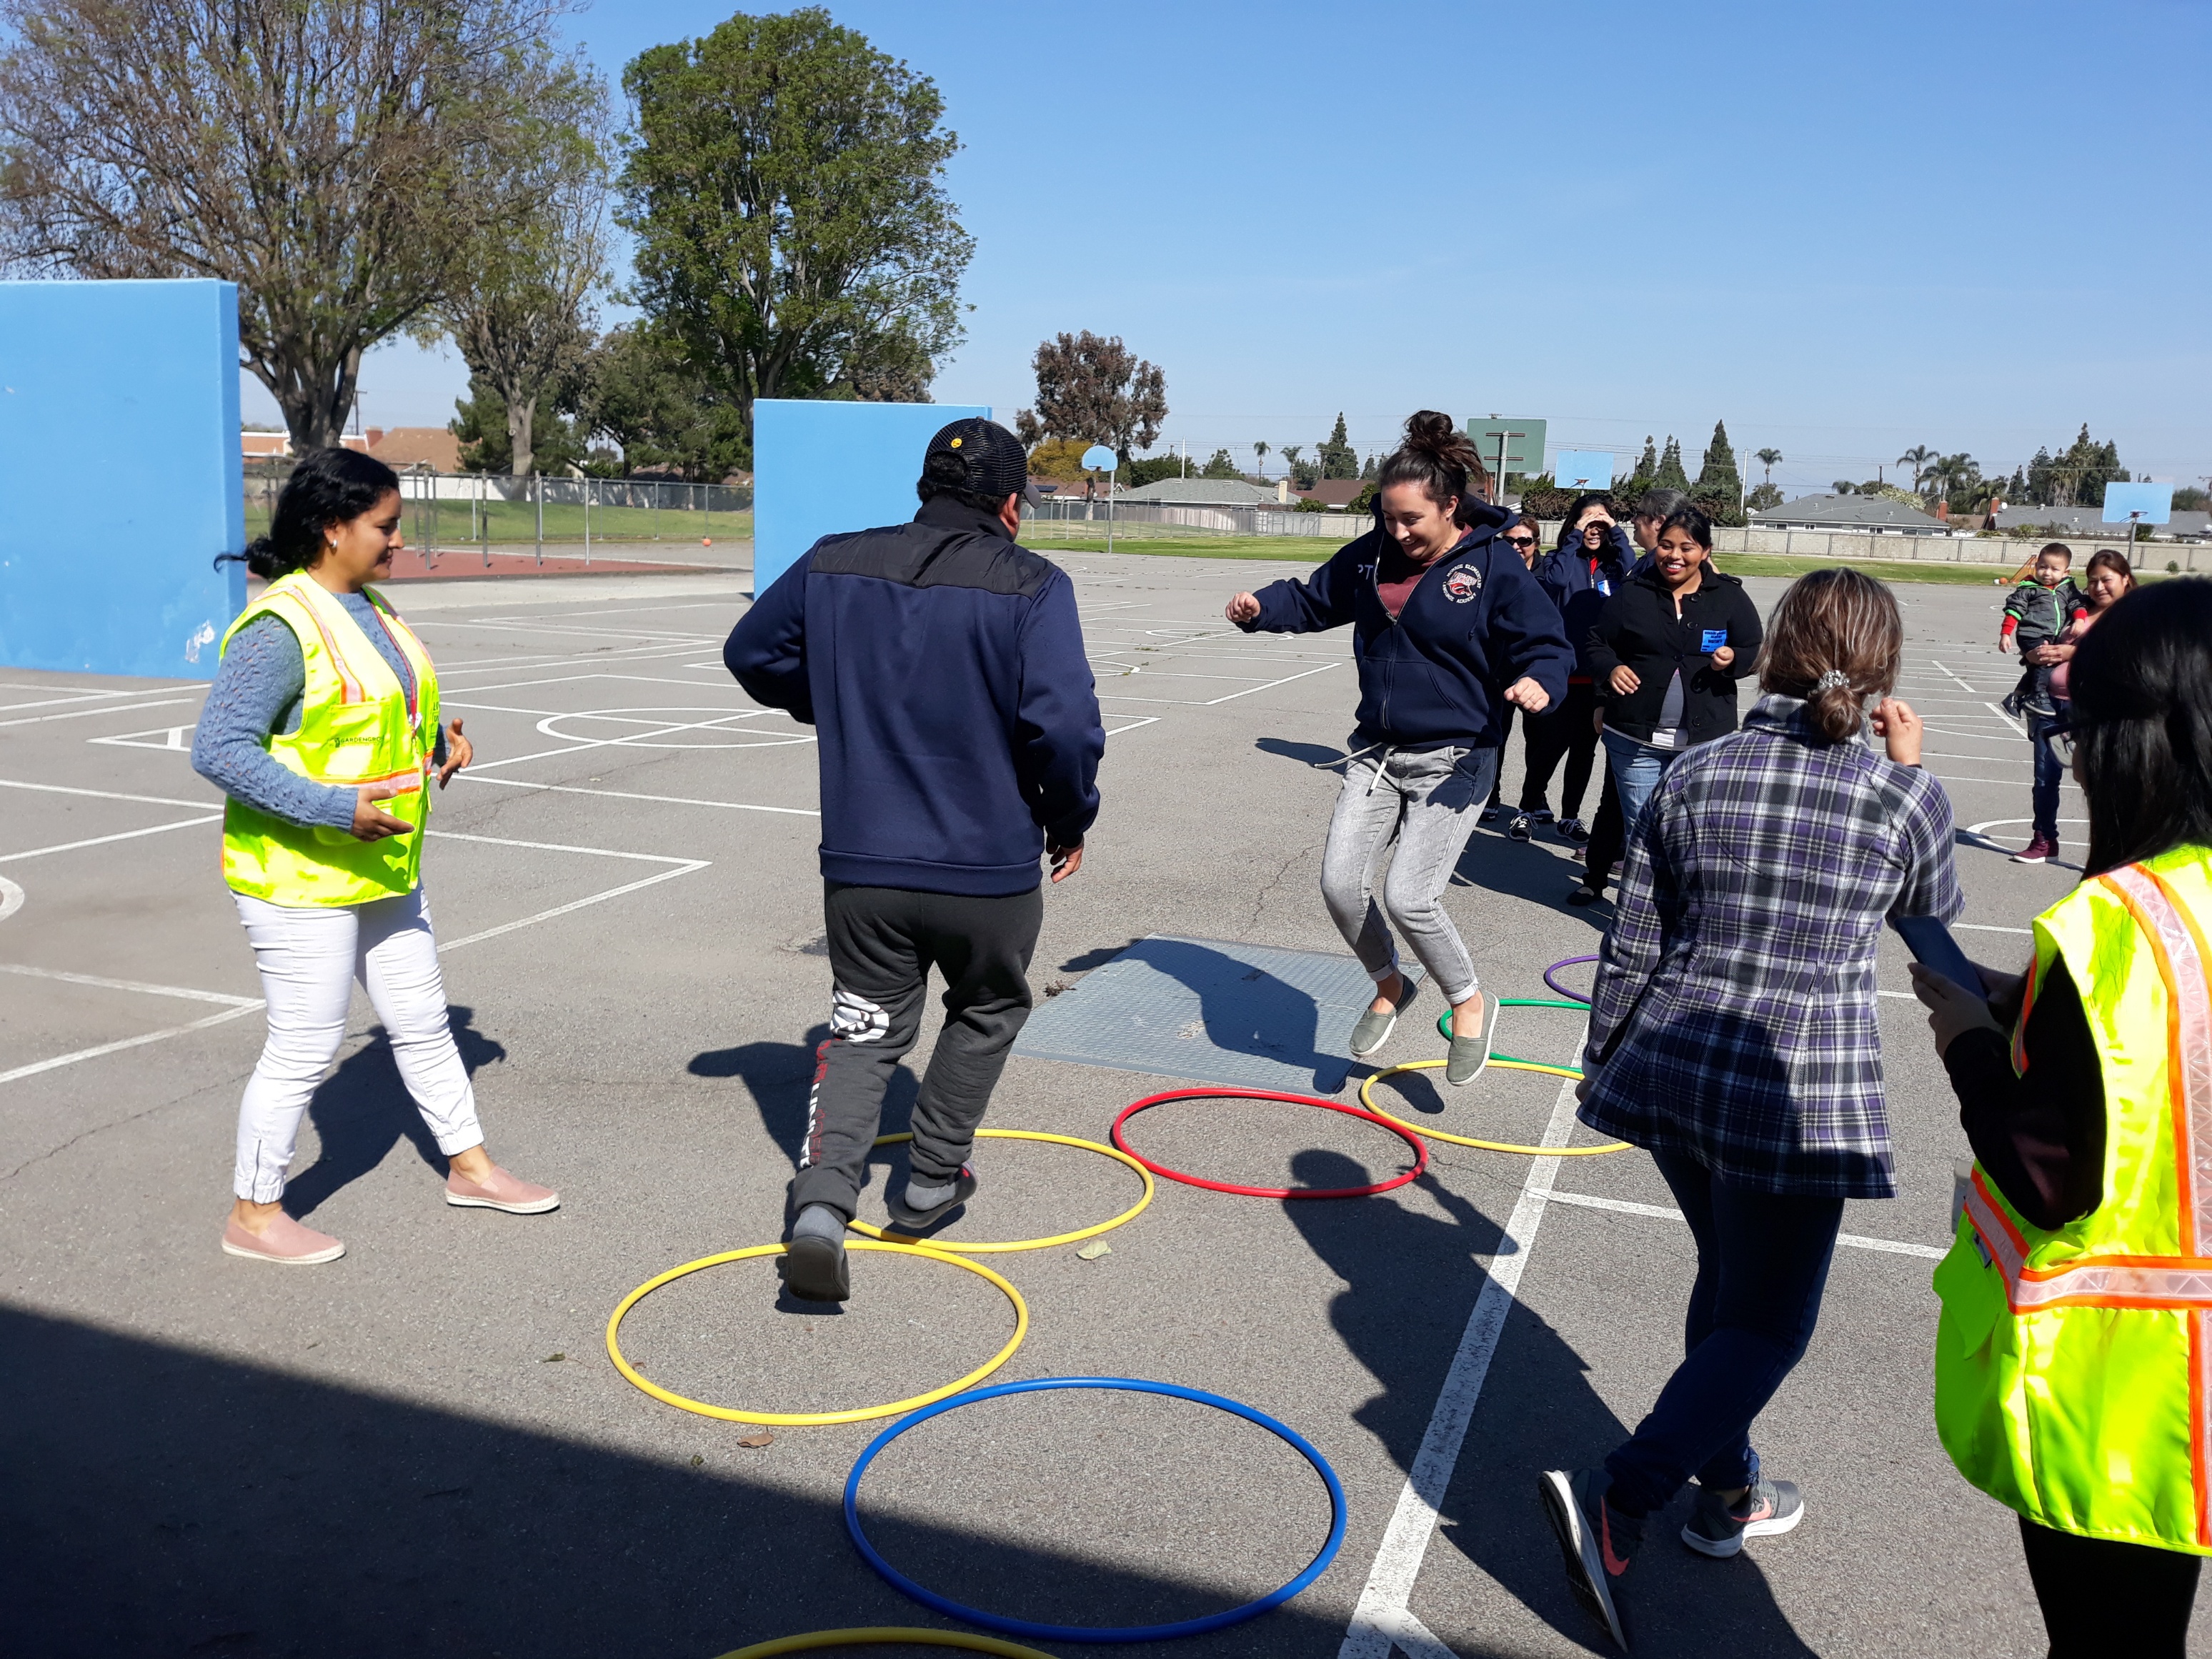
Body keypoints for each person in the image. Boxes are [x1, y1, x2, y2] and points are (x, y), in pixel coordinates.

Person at [1541, 569, 1956, 1651]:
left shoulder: (1699, 768)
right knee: (1770, 1322)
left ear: (1773, 645)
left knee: (1729, 1290)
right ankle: (1624, 1492)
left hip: (1677, 1064)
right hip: (1793, 1088)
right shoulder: (1899, 796)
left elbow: (1635, 934)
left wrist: (1608, 1066)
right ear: (1880, 674)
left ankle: (1727, 1495)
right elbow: (1939, 933)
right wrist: (1908, 774)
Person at [724, 417, 1105, 1304]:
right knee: (987, 1007)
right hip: (988, 866)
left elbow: (751, 651)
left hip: (864, 862)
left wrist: (832, 700)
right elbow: (1067, 726)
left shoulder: (833, 558)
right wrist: (1069, 817)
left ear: (926, 487)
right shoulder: (1033, 583)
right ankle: (932, 1179)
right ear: (1011, 504)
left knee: (864, 1025)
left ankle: (822, 1205)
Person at [1913, 578, 2212, 1659]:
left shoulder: (2123, 919)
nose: (2074, 755)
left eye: (2082, 729)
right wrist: (2019, 993)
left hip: (2135, 1395)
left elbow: (2049, 1165)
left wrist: (1970, 1044)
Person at [193, 448, 557, 1267]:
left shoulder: (370, 606)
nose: (400, 542)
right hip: (300, 877)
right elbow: (219, 749)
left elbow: (374, 718)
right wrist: (331, 808)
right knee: (306, 1045)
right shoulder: (284, 624)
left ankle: (470, 1167)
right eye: (386, 527)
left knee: (426, 1025)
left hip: (382, 866)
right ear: (332, 528)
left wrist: (439, 745)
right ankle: (253, 1214)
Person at [1224, 412, 1572, 1082]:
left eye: (1412, 519)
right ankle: (1389, 983)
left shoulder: (1494, 563)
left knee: (1412, 896)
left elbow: (1546, 642)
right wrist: (1260, 610)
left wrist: (1538, 681)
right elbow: (1313, 598)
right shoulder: (1374, 553)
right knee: (1339, 886)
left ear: (1451, 506)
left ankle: (1468, 1000)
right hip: (1377, 751)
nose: (1398, 531)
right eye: (1388, 517)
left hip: (1458, 756)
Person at [1573, 502, 1763, 903]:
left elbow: (1754, 649)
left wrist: (1735, 660)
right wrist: (1610, 669)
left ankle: (1683, 909)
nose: (1674, 556)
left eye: (1687, 547)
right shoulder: (1633, 594)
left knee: (1692, 831)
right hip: (1634, 737)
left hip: (1702, 744)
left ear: (1705, 552)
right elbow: (1597, 642)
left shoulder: (1728, 597)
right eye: (1665, 545)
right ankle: (1646, 915)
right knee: (1647, 831)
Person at [1522, 493, 1633, 847]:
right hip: (1563, 671)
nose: (1594, 529)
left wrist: (1616, 532)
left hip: (1597, 675)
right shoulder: (1561, 559)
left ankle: (1570, 816)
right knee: (1550, 745)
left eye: (1601, 522)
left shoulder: (1614, 567)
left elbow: (1632, 570)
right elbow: (1553, 581)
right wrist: (1574, 536)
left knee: (1585, 750)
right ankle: (1527, 809)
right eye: (1587, 522)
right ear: (1575, 524)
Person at [2010, 548, 2132, 865]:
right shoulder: (2073, 607)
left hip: (2094, 710)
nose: (2098, 587)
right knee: (2044, 778)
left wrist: (2072, 654)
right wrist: (2032, 655)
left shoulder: (2131, 615)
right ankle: (2044, 839)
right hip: (2049, 706)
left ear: (2125, 579)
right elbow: (2039, 631)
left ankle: (2111, 847)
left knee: (2099, 780)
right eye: (2092, 581)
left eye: (2106, 580)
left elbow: (2125, 659)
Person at [1482, 512, 1547, 826]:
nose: (1518, 547)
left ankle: (1534, 798)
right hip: (1499, 668)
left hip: (1533, 670)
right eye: (1510, 541)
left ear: (1536, 543)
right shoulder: (1493, 571)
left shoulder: (1550, 573)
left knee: (1539, 739)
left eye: (1525, 541)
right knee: (1497, 736)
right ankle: (1490, 794)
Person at [1998, 542, 2085, 728]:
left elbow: (2077, 604)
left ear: (2065, 573)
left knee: (2041, 664)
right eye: (2043, 567)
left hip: (2052, 635)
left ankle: (2015, 698)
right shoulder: (2028, 588)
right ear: (2036, 566)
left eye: (2055, 569)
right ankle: (2037, 695)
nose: (2047, 573)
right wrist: (2006, 634)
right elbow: (2014, 611)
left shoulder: (2067, 588)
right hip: (2031, 633)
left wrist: (2079, 620)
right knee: (2047, 659)